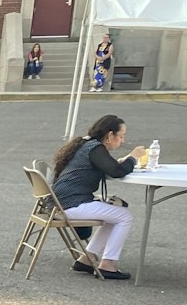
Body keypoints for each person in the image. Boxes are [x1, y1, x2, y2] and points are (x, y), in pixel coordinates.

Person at [51, 113, 147, 282]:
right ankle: (108, 264)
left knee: (116, 213)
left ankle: (87, 259)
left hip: (60, 201)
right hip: (70, 204)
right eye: (121, 136)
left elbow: (108, 166)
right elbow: (116, 172)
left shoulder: (87, 144)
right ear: (110, 135)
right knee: (124, 216)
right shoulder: (96, 149)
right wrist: (133, 157)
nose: (123, 141)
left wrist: (124, 160)